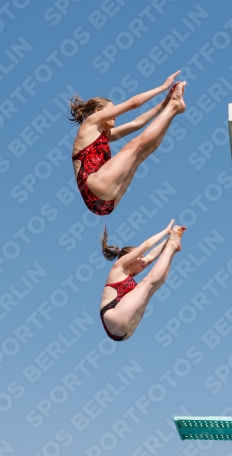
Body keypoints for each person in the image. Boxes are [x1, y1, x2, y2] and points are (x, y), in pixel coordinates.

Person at [70, 72, 186, 215]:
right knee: (134, 146)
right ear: (98, 112)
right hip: (95, 186)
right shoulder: (90, 123)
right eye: (112, 110)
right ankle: (174, 106)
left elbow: (138, 123)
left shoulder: (104, 135)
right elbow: (133, 103)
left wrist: (166, 101)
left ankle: (172, 109)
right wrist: (162, 87)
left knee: (143, 153)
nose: (115, 115)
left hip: (105, 203)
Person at [99, 220, 186, 341]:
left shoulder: (130, 273)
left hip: (123, 332)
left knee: (152, 287)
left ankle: (172, 248)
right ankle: (171, 246)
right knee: (147, 283)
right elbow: (146, 246)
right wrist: (165, 232)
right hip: (113, 317)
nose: (143, 260)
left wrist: (172, 237)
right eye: (140, 257)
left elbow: (151, 256)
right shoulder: (118, 267)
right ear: (130, 259)